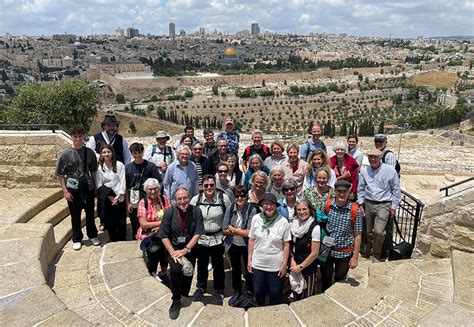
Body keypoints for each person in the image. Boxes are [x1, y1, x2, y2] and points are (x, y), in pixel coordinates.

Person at [159, 188, 204, 320]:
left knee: (188, 272)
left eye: (185, 198)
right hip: (174, 248)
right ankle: (176, 300)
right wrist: (173, 252)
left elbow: (198, 233)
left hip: (190, 248)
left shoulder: (196, 211)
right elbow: (163, 235)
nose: (183, 201)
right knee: (176, 269)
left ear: (189, 198)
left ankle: (183, 293)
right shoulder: (169, 212)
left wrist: (186, 250)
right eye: (179, 199)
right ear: (174, 200)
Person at [55, 126, 100, 251]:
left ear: (83, 137)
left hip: (88, 186)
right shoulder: (65, 154)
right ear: (72, 137)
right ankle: (77, 238)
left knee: (90, 213)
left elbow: (93, 171)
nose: (78, 139)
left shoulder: (89, 152)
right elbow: (60, 174)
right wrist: (65, 191)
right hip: (73, 188)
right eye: (75, 136)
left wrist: (95, 187)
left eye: (80, 136)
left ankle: (92, 235)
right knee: (75, 215)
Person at [190, 175, 232, 303]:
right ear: (201, 186)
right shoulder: (196, 200)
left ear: (215, 186)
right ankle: (201, 287)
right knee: (201, 264)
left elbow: (230, 214)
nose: (209, 187)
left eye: (211, 185)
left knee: (218, 265)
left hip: (218, 237)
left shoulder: (223, 198)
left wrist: (227, 231)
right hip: (201, 238)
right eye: (206, 185)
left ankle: (219, 289)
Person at [87, 114, 131, 231]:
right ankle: (103, 221)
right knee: (103, 198)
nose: (111, 127)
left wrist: (124, 171)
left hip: (117, 172)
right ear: (104, 126)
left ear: (116, 126)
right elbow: (89, 154)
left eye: (113, 125)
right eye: (108, 125)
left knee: (118, 197)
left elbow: (127, 157)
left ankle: (118, 222)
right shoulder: (94, 139)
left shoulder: (121, 140)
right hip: (101, 172)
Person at [357, 148, 401, 262]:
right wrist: (361, 204)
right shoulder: (365, 171)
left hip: (384, 204)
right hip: (369, 203)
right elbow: (361, 188)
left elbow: (396, 189)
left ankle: (376, 254)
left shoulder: (390, 170)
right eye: (371, 157)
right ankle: (369, 250)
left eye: (375, 157)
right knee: (369, 231)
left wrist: (394, 207)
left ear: (380, 158)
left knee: (379, 231)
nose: (373, 159)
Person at [248, 193, 291, 306]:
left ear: (276, 206)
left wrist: (284, 264)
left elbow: (286, 244)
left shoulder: (283, 221)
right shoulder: (256, 219)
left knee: (275, 294)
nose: (268, 207)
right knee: (258, 293)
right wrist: (249, 259)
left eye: (271, 204)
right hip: (258, 263)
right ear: (262, 206)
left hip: (275, 265)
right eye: (265, 204)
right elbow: (252, 240)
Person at [320, 180, 362, 292]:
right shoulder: (327, 205)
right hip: (327, 250)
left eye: (344, 191)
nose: (342, 194)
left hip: (344, 252)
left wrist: (355, 257)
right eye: (339, 191)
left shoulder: (354, 210)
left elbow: (357, 235)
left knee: (340, 279)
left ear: (349, 192)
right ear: (335, 192)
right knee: (325, 277)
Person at [223, 186, 257, 306]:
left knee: (249, 269)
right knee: (235, 269)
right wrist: (239, 230)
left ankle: (249, 291)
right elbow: (224, 228)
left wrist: (232, 229)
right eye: (237, 195)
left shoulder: (251, 209)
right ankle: (237, 291)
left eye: (242, 195)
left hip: (247, 245)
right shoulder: (230, 207)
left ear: (246, 196)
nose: (240, 198)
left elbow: (249, 233)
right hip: (233, 244)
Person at [136, 178, 171, 281]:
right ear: (146, 190)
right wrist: (161, 223)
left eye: (155, 188)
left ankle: (164, 273)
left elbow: (169, 217)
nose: (153, 191)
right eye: (150, 189)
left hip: (163, 232)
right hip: (149, 235)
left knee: (164, 256)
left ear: (159, 188)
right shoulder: (143, 203)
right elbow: (143, 224)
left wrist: (160, 226)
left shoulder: (164, 199)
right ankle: (152, 273)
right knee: (153, 256)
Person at [125, 142, 162, 240]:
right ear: (131, 154)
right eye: (135, 153)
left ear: (142, 152)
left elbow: (158, 184)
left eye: (139, 152)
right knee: (135, 224)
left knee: (150, 222)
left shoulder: (150, 166)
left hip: (149, 200)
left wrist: (159, 201)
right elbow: (126, 187)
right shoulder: (128, 168)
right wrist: (127, 203)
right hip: (134, 200)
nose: (137, 155)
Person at [289, 199, 320, 300]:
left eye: (304, 209)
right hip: (295, 265)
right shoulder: (294, 224)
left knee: (307, 296)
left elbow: (314, 253)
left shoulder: (315, 228)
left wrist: (300, 267)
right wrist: (292, 260)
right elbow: (292, 245)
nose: (301, 212)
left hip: (307, 268)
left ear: (310, 210)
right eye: (299, 209)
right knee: (296, 292)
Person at [95, 144, 126, 242]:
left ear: (112, 153)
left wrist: (119, 195)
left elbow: (123, 180)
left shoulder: (119, 165)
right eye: (104, 152)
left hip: (119, 196)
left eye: (108, 152)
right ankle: (113, 240)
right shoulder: (100, 168)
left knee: (121, 222)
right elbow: (99, 185)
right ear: (101, 154)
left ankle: (122, 239)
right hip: (107, 198)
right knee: (111, 222)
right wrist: (110, 197)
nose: (106, 154)